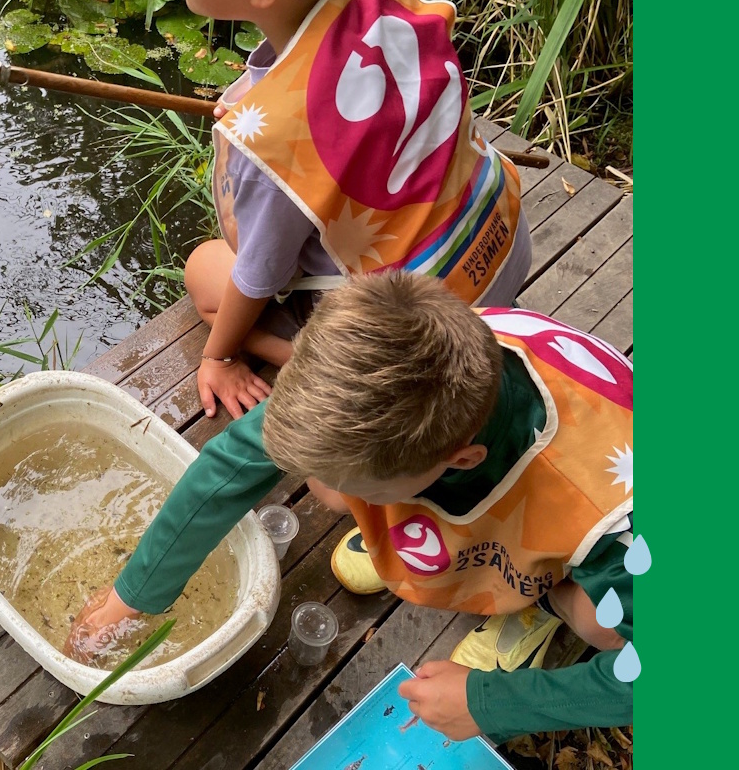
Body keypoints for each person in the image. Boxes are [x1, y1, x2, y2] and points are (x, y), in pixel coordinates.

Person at [64, 274, 634, 744]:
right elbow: (235, 460)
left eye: (372, 488)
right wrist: (132, 597)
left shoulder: (606, 513)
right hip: (464, 474)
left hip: (581, 518)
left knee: (601, 624)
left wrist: (488, 702)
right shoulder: (389, 362)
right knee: (329, 484)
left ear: (461, 458)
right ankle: (413, 539)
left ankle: (535, 600)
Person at [166, 0, 530, 421]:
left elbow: (259, 273)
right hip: (501, 243)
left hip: (422, 335)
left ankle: (298, 355)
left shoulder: (272, 141)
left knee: (205, 270)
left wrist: (220, 357)